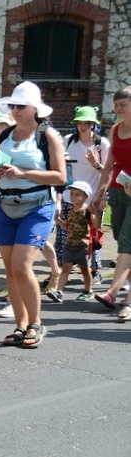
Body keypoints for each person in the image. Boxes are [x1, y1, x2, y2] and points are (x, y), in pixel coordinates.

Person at [0, 81, 66, 349]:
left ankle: (36, 322)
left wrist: (22, 173)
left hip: (37, 206)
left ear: (35, 109)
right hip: (5, 205)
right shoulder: (5, 135)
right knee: (10, 269)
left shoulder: (48, 135)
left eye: (20, 106)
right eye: (12, 106)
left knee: (21, 265)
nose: (15, 110)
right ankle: (20, 325)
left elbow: (60, 177)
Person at [55, 107, 110, 285]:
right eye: (80, 122)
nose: (83, 126)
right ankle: (60, 271)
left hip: (92, 197)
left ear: (94, 124)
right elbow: (59, 169)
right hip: (69, 196)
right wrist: (58, 196)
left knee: (93, 235)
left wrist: (101, 196)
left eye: (87, 123)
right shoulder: (68, 141)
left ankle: (94, 272)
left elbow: (108, 173)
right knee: (64, 234)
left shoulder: (102, 145)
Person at [92, 86, 131, 310]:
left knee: (127, 241)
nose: (117, 109)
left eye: (122, 105)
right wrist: (100, 191)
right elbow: (108, 166)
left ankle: (112, 292)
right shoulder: (115, 130)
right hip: (117, 190)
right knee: (120, 237)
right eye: (116, 105)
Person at [46, 181, 100, 303]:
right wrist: (58, 220)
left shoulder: (87, 210)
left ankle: (88, 291)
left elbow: (96, 225)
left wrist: (95, 213)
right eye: (71, 194)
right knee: (66, 268)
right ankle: (59, 292)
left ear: (86, 196)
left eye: (77, 194)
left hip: (83, 245)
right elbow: (67, 227)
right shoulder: (70, 210)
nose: (73, 197)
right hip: (69, 244)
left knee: (84, 269)